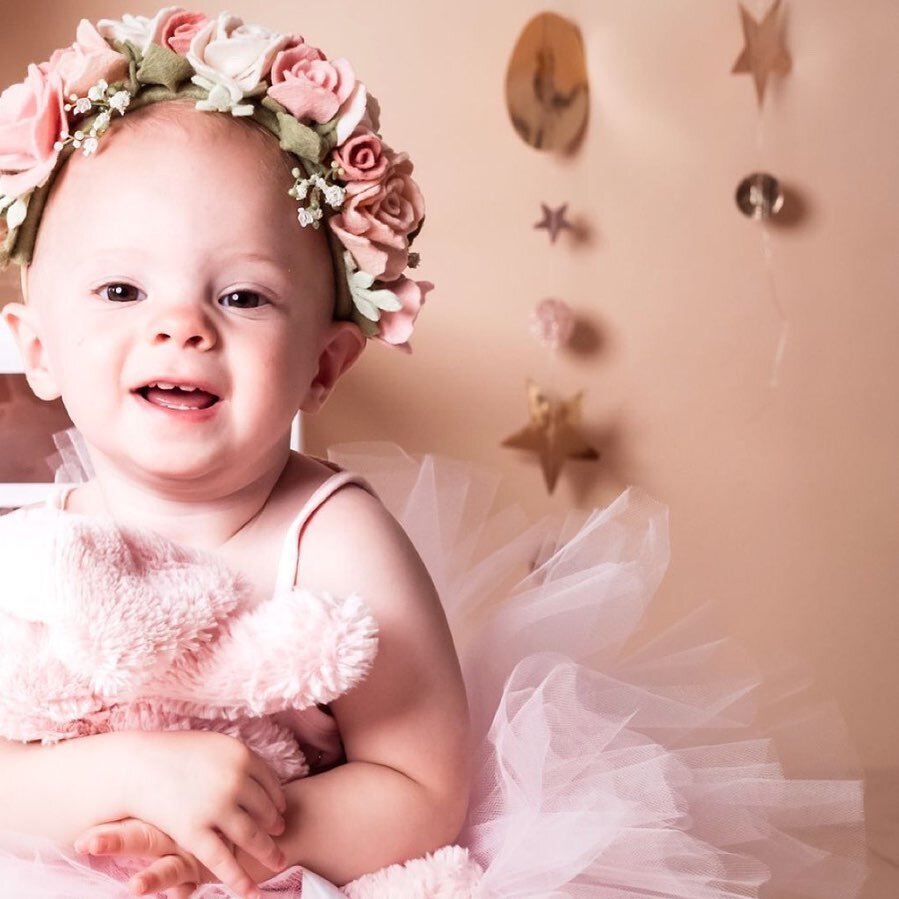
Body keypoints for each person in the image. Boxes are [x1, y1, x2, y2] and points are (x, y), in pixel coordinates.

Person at [0, 8, 868, 899]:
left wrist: (245, 840)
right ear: (35, 347)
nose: (181, 325)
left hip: (291, 871)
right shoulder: (27, 548)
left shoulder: (334, 539)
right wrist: (138, 776)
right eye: (120, 288)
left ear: (325, 364)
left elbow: (418, 788)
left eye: (243, 296)